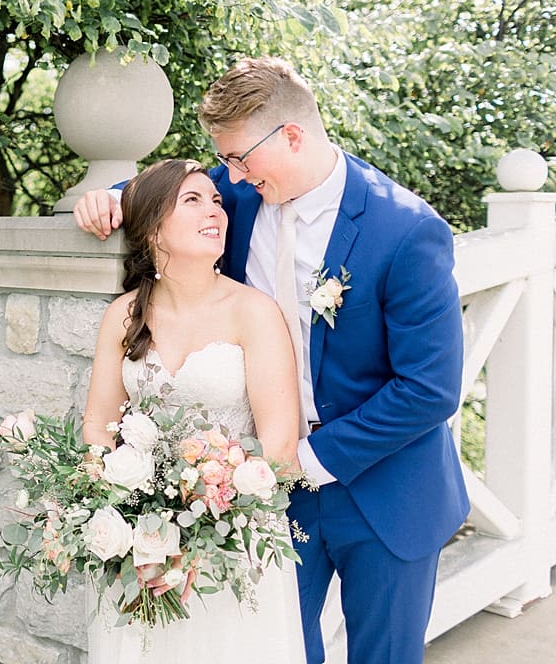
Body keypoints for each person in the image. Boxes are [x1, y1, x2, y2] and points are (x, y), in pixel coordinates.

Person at [75, 56, 469, 664]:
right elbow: (173, 201)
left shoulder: (407, 229)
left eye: (237, 159)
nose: (228, 175)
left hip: (386, 488)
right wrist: (113, 197)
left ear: (291, 135)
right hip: (264, 493)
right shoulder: (244, 190)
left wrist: (304, 460)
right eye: (224, 162)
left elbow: (430, 389)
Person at [82, 158, 306, 663]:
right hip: (140, 547)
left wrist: (199, 533)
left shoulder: (254, 312)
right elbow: (98, 425)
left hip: (235, 538)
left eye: (217, 200)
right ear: (152, 227)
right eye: (193, 200)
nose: (216, 212)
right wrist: (124, 516)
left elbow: (279, 446)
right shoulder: (124, 314)